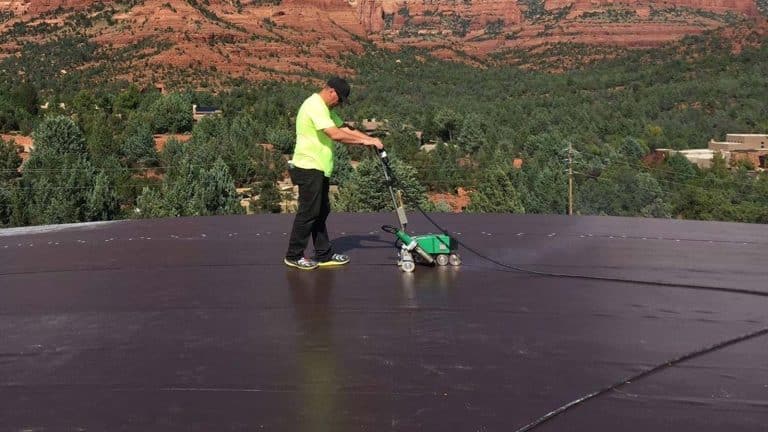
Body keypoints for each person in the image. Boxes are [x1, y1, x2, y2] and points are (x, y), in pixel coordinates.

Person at [284, 77, 384, 270]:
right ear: (331, 92)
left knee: (321, 212)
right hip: (308, 166)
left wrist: (371, 139)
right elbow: (335, 134)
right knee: (308, 212)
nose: (338, 104)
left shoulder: (326, 109)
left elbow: (343, 128)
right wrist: (364, 143)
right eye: (339, 100)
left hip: (319, 167)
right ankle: (293, 255)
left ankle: (323, 254)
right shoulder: (314, 105)